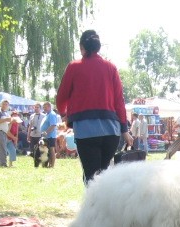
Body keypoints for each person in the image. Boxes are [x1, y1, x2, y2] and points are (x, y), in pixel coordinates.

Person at [56, 30, 130, 182]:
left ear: (82, 46)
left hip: (86, 130)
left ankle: (94, 205)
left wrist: (64, 114)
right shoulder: (111, 67)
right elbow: (119, 101)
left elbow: (61, 97)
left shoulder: (74, 67)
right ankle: (105, 204)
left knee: (91, 176)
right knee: (104, 174)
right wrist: (124, 130)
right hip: (111, 131)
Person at [0, 99, 12, 167]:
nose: (5, 105)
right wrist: (6, 119)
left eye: (6, 104)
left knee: (0, 149)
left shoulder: (6, 113)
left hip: (3, 132)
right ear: (1, 104)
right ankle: (3, 164)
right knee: (3, 149)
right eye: (3, 104)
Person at [40, 101, 58, 168]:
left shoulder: (52, 114)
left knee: (51, 149)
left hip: (50, 136)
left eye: (45, 107)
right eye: (43, 107)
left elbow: (53, 125)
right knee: (46, 150)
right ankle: (47, 164)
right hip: (46, 136)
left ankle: (52, 165)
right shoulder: (47, 114)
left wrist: (46, 132)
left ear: (50, 107)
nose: (44, 108)